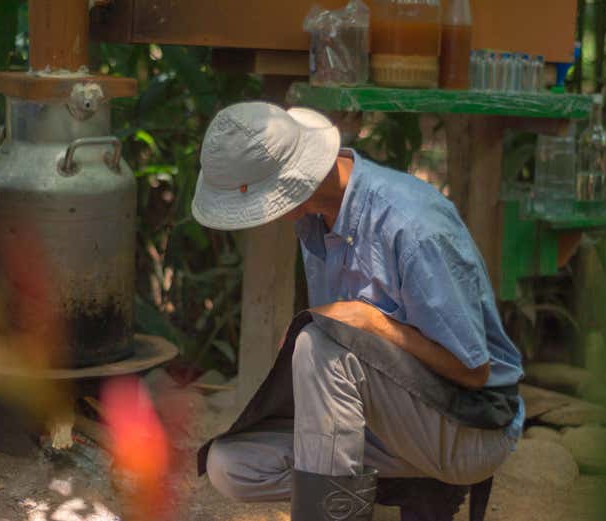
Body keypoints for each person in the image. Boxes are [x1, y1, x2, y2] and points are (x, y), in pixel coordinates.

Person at [191, 102, 524, 521]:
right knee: (231, 466)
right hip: (389, 425)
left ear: (293, 183)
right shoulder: (315, 219)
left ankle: (382, 497)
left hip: (466, 426)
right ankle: (408, 488)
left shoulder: (413, 226)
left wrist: (370, 322)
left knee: (318, 344)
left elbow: (474, 373)